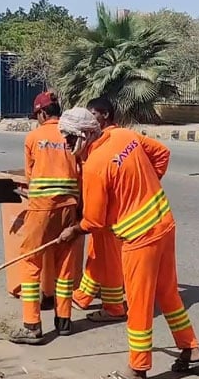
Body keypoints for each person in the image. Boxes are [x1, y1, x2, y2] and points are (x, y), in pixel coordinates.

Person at [57, 105, 199, 378]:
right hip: (163, 223)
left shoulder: (95, 167)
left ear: (85, 134)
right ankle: (191, 348)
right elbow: (162, 153)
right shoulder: (124, 136)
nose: (66, 145)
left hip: (139, 238)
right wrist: (146, 182)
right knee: (167, 292)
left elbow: (94, 222)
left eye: (68, 138)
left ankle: (137, 369)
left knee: (138, 305)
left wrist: (72, 231)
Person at [9, 92, 79, 345]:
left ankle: (32, 325)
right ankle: (64, 322)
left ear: (41, 113)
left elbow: (30, 175)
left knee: (30, 262)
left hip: (41, 207)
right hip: (70, 206)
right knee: (64, 264)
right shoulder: (72, 134)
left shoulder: (34, 137)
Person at [72, 97, 127, 322]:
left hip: (110, 212)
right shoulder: (99, 140)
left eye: (93, 114)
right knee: (96, 254)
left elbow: (160, 156)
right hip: (100, 206)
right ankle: (84, 295)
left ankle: (114, 307)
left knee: (109, 259)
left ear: (104, 115)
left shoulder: (115, 137)